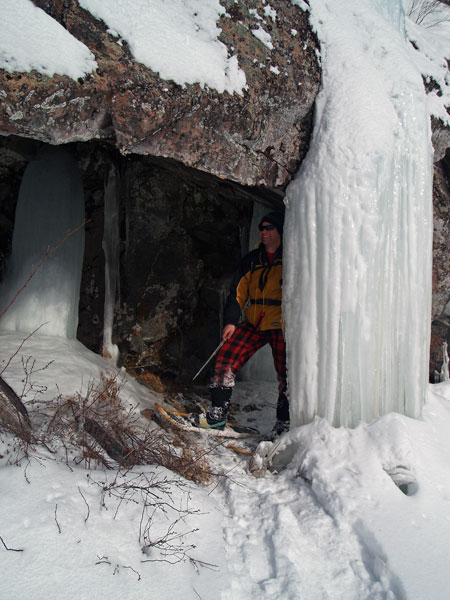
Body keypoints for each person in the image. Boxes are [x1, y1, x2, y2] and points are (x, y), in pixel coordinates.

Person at [193, 210, 289, 436]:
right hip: (254, 322)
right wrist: (230, 321)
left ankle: (284, 424)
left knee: (286, 375)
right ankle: (217, 415)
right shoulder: (252, 260)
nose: (264, 232)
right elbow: (237, 293)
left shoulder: (290, 258)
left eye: (269, 228)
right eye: (261, 228)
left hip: (281, 324)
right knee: (226, 357)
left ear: (279, 231)